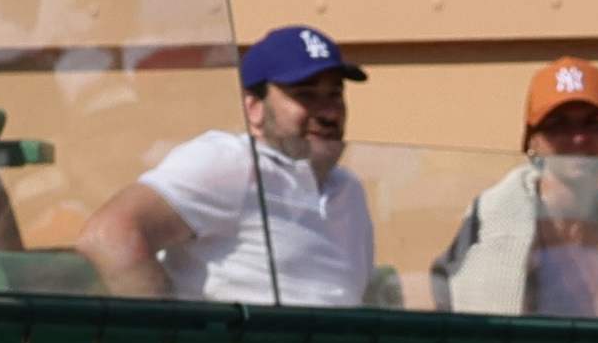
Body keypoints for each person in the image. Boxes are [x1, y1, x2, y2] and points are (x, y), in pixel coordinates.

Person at [83, 18, 386, 302]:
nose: (329, 112)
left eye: (335, 94)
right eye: (305, 95)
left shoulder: (348, 191)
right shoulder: (231, 162)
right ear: (254, 108)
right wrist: (174, 342)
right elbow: (108, 234)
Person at [426, 50, 598, 313]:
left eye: (593, 124)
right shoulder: (488, 221)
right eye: (557, 125)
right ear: (532, 142)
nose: (578, 139)